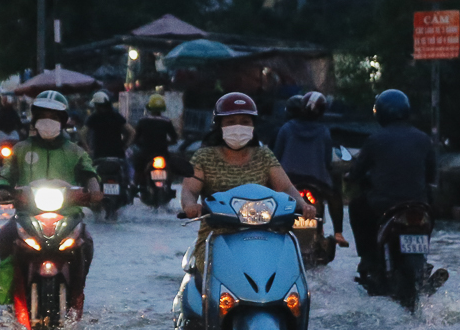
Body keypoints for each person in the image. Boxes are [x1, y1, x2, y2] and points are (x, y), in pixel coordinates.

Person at [180, 92, 316, 279]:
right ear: (219, 126)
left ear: (253, 125)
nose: (238, 127)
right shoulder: (204, 157)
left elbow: (284, 187)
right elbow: (190, 189)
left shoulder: (264, 156)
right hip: (217, 237)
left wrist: (303, 205)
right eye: (231, 122)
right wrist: (190, 206)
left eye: (245, 121)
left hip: (264, 235)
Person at [0, 90, 104, 312]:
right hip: (27, 215)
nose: (48, 121)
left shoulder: (75, 151)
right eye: (43, 115)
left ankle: (77, 294)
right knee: (3, 237)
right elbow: (6, 175)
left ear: (62, 121)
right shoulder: (21, 149)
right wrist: (2, 190)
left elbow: (89, 173)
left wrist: (94, 190)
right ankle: (10, 291)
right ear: (34, 119)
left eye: (54, 117)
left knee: (87, 244)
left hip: (69, 215)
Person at [347, 89, 436, 288]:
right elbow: (431, 176)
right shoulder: (424, 139)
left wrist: (351, 177)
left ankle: (368, 258)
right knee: (430, 209)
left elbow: (356, 172)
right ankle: (423, 260)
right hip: (418, 205)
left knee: (356, 206)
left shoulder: (375, 140)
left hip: (384, 205)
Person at [274, 91, 348, 247]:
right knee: (335, 195)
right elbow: (327, 161)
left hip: (289, 181)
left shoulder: (286, 128)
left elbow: (275, 158)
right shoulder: (324, 131)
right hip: (318, 183)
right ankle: (338, 233)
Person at [131, 93, 181, 173]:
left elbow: (136, 138)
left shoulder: (142, 121)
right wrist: (167, 143)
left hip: (146, 153)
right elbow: (174, 138)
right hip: (162, 152)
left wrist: (140, 144)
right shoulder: (166, 121)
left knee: (138, 169)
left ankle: (138, 183)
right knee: (171, 167)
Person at [82, 90, 134, 161]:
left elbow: (82, 133)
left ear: (97, 105)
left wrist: (87, 148)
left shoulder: (94, 117)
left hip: (99, 155)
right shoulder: (116, 116)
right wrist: (125, 146)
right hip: (117, 154)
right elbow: (132, 131)